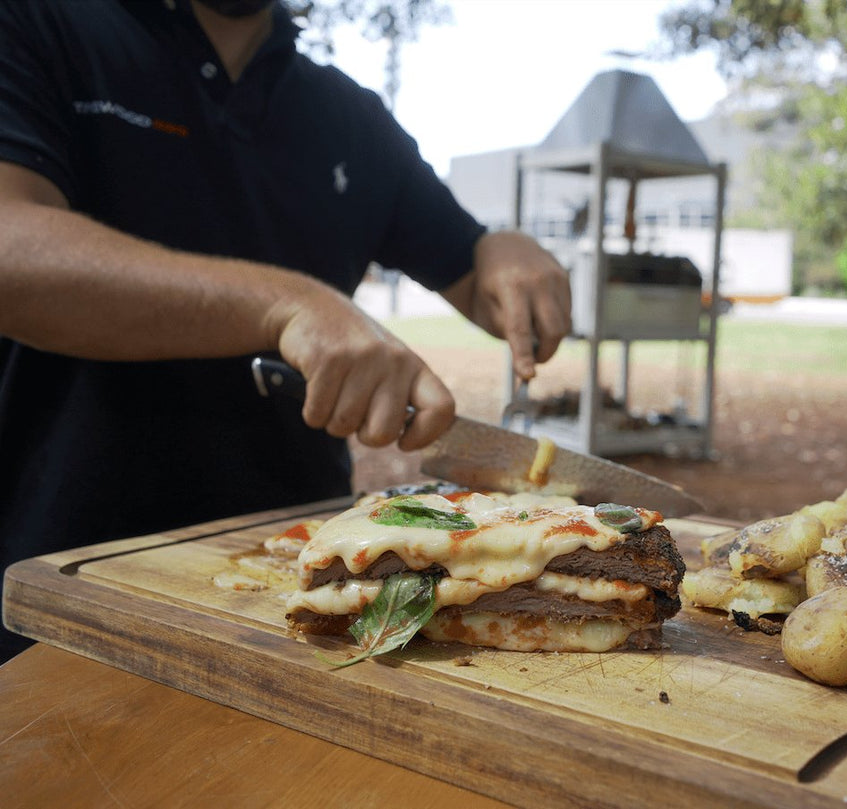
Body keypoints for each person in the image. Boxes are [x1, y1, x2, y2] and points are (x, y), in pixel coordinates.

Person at [0, 0, 572, 660]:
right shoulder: (41, 24)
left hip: (296, 594)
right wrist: (288, 307)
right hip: (56, 588)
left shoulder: (348, 117)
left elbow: (471, 267)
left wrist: (500, 250)